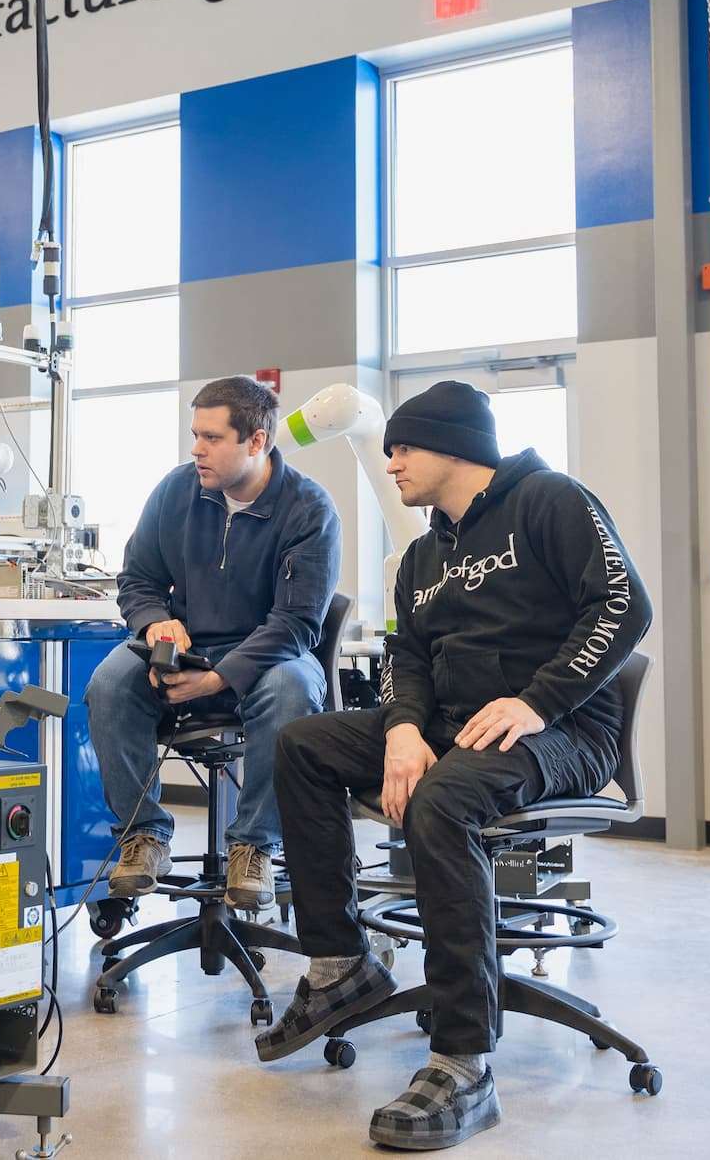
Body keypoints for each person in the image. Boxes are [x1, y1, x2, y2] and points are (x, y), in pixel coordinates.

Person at [257, 380, 651, 1152]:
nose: (391, 461)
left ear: (452, 446)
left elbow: (624, 606)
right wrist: (402, 727)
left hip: (560, 727)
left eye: (402, 447)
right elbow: (407, 657)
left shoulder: (551, 501)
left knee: (441, 800)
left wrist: (539, 701)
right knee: (303, 743)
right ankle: (340, 962)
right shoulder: (424, 553)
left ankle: (464, 1060)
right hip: (452, 723)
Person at [88, 374, 341, 910]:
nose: (197, 451)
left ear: (257, 440)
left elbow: (295, 623)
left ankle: (253, 846)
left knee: (291, 688)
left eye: (212, 438)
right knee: (109, 682)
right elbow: (137, 580)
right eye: (195, 436)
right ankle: (144, 835)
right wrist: (155, 622)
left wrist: (220, 677)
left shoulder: (308, 510)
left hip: (272, 656)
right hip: (190, 648)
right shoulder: (177, 490)